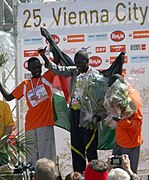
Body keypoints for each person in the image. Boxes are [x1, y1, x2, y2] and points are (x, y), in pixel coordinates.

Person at [38, 48, 98, 173]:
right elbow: (57, 69)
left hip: (88, 116)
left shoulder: (96, 76)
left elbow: (100, 98)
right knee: (76, 147)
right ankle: (78, 174)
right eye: (76, 63)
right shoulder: (74, 71)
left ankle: (94, 174)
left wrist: (97, 116)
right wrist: (44, 57)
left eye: (80, 63)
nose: (77, 65)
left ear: (87, 61)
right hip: (75, 115)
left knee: (90, 149)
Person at [0, 57, 56, 166]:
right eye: (33, 68)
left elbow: (57, 62)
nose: (37, 70)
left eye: (38, 67)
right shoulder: (25, 84)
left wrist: (46, 52)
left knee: (46, 160)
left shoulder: (47, 78)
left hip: (45, 124)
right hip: (30, 125)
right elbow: (8, 97)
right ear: (29, 69)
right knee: (31, 160)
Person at [108, 74, 143, 173]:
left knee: (129, 172)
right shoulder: (123, 94)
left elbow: (137, 124)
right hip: (120, 140)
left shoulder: (133, 99)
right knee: (115, 171)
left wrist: (121, 121)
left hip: (130, 142)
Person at [0, 100, 15, 165]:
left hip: (1, 147)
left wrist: (1, 142)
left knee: (3, 172)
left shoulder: (4, 105)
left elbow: (9, 127)